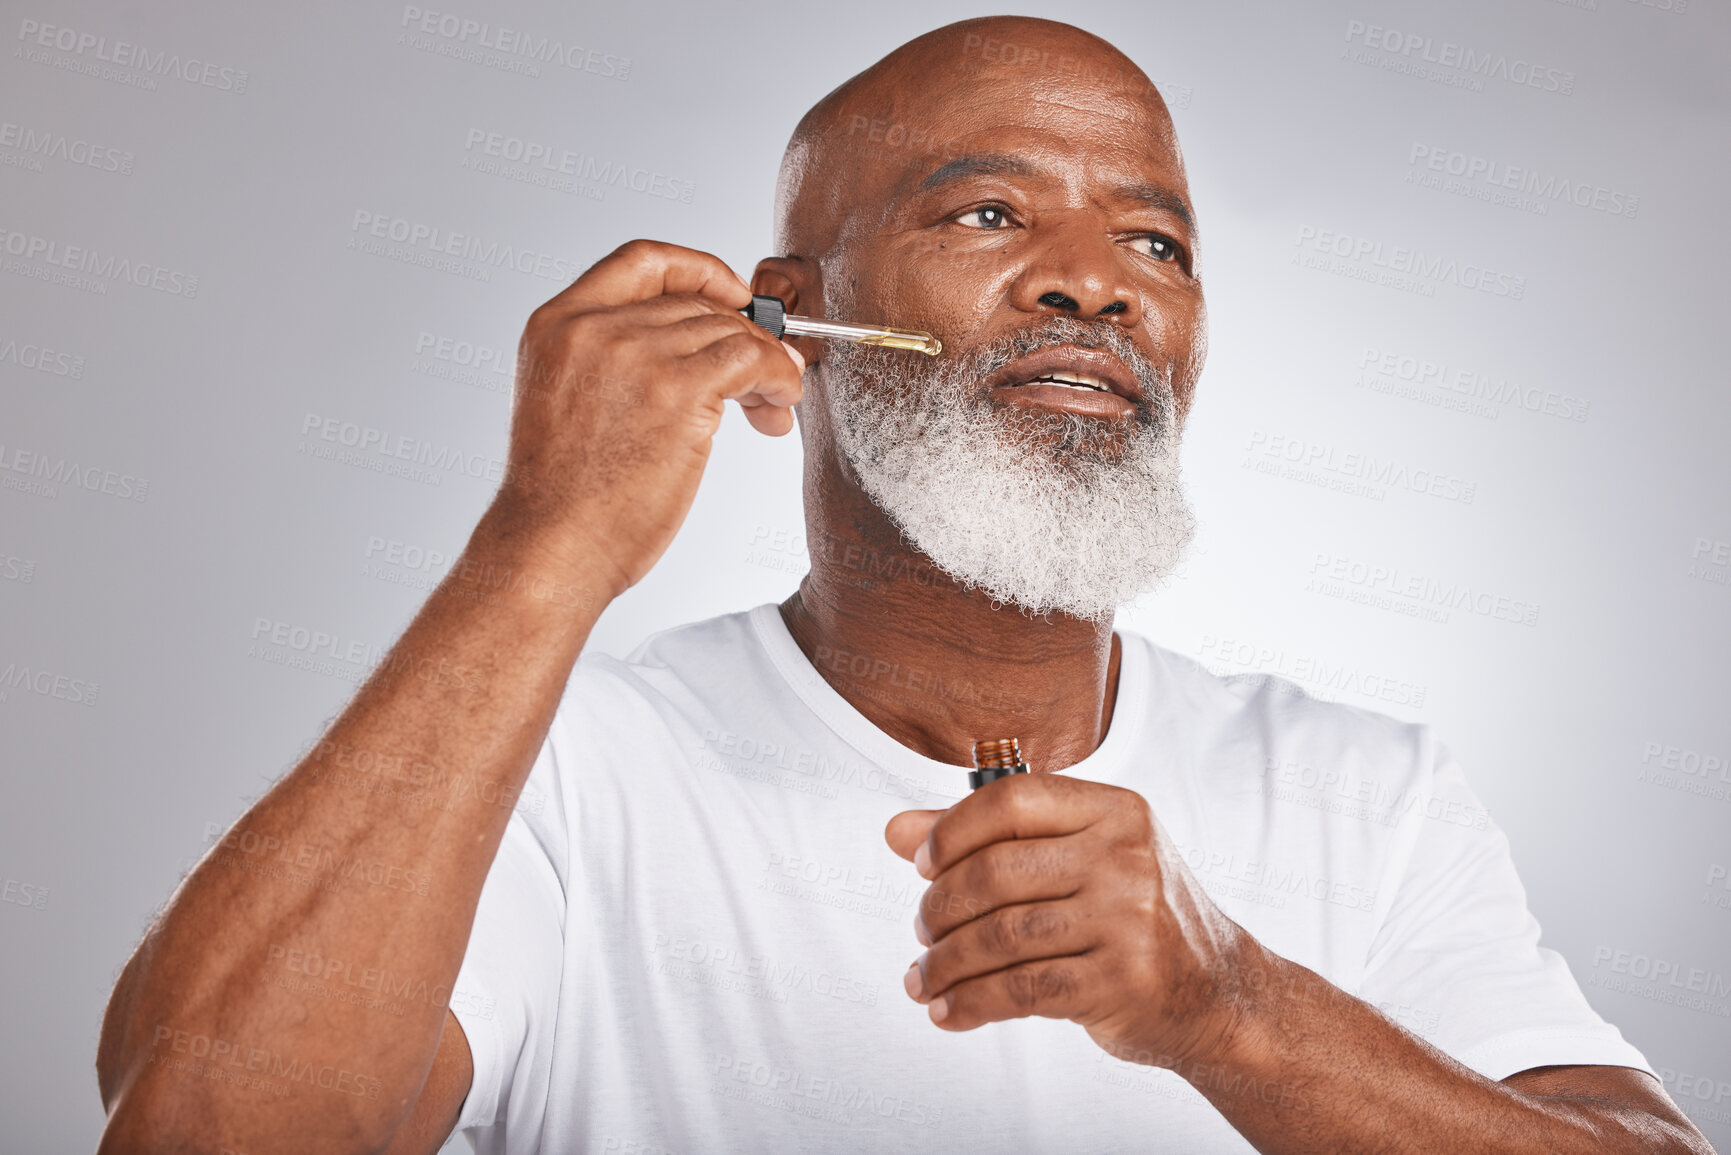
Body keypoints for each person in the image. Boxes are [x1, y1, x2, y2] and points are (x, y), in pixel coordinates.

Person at [94, 15, 1712, 1155]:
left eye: (1160, 246)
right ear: (790, 324)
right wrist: (545, 544)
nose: (1097, 281)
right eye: (992, 210)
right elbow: (206, 1132)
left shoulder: (1369, 791)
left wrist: (1231, 1008)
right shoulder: (556, 776)